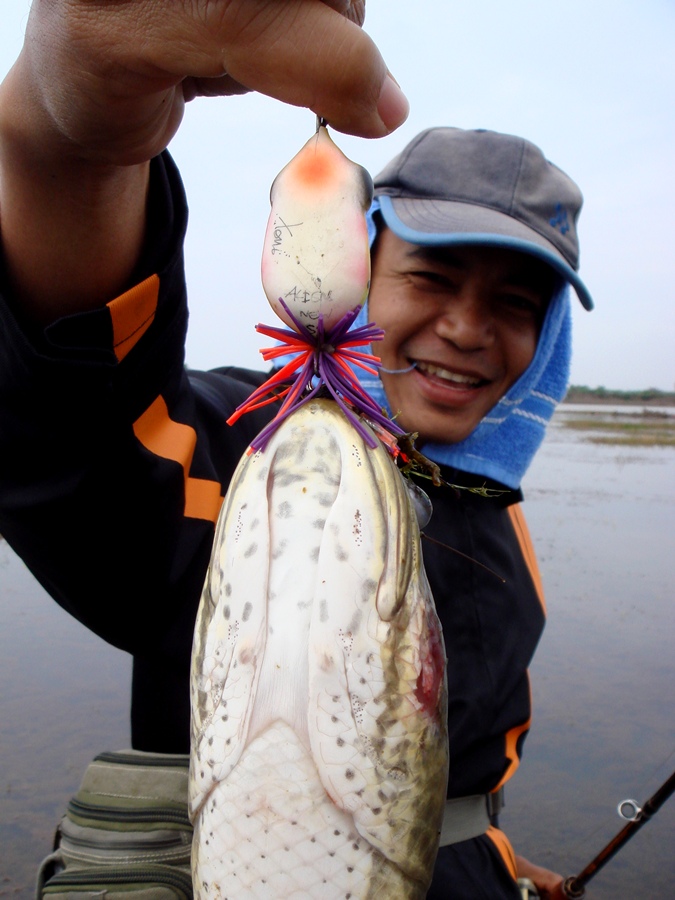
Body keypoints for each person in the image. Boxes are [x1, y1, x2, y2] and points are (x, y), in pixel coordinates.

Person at [0, 3, 592, 898]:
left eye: (517, 303)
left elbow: (463, 760)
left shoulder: (501, 518)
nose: (469, 328)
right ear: (359, 266)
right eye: (430, 275)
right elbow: (75, 427)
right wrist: (67, 146)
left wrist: (490, 860)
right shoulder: (248, 451)